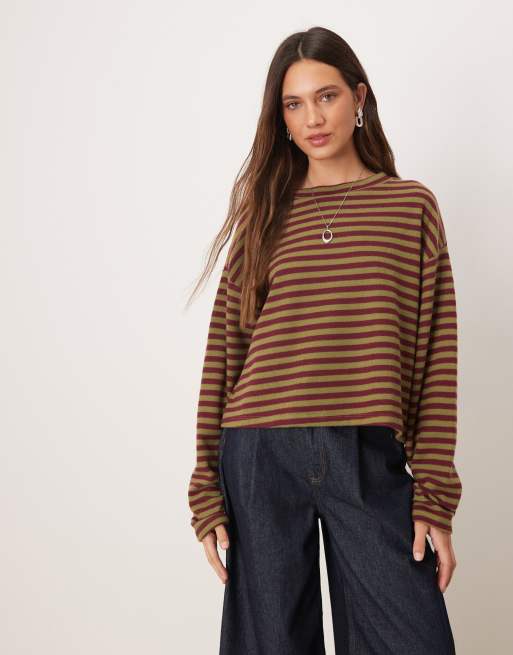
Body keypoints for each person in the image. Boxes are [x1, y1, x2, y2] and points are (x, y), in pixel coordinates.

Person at [186, 25, 461, 655]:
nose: (312, 118)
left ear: (359, 98)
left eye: (327, 96)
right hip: (260, 452)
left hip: (365, 451)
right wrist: (205, 488)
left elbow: (435, 360)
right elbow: (225, 357)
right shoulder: (264, 217)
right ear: (280, 118)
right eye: (294, 104)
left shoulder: (410, 207)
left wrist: (434, 495)